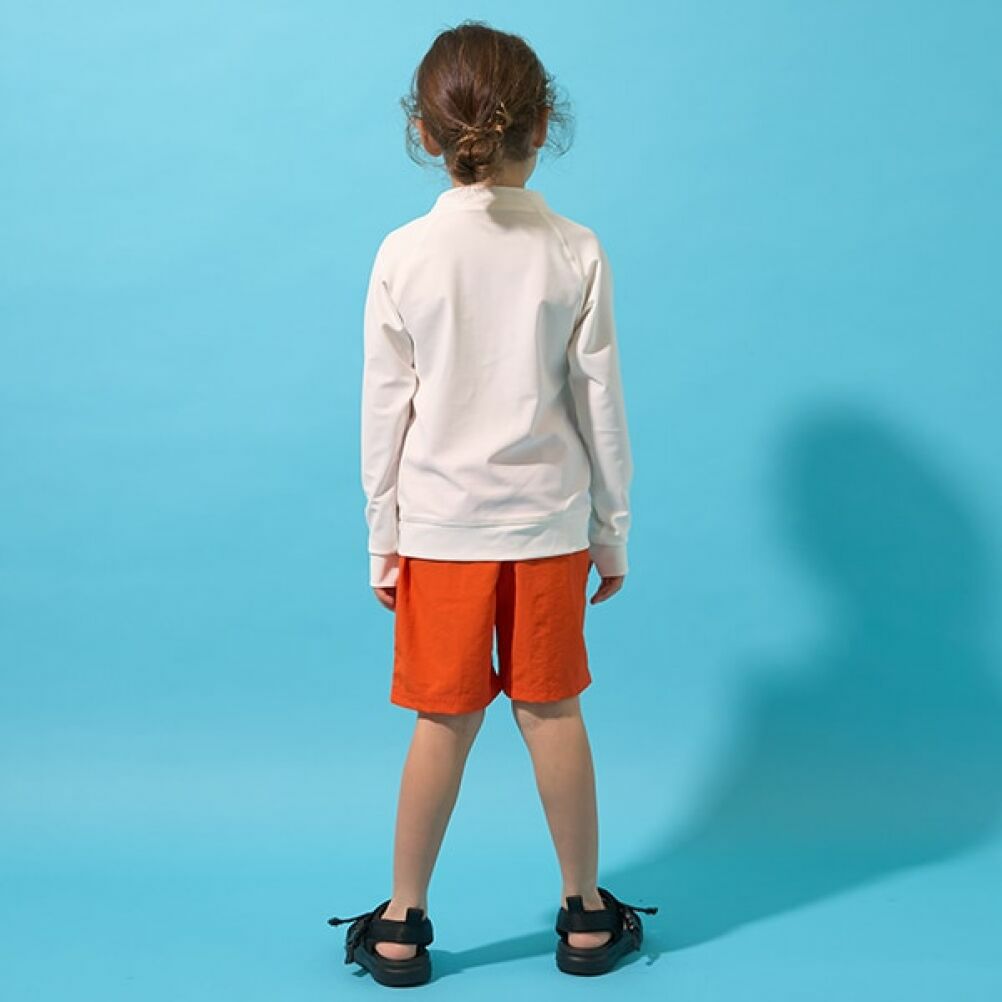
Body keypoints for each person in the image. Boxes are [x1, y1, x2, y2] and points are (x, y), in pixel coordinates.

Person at [327, 20, 656, 987]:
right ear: (542, 125)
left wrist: (384, 541)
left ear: (426, 133)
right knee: (553, 715)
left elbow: (383, 415)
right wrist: (611, 534)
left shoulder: (403, 254)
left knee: (442, 723)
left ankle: (401, 924)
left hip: (440, 534)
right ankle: (585, 917)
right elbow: (602, 409)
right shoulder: (575, 250)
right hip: (549, 529)